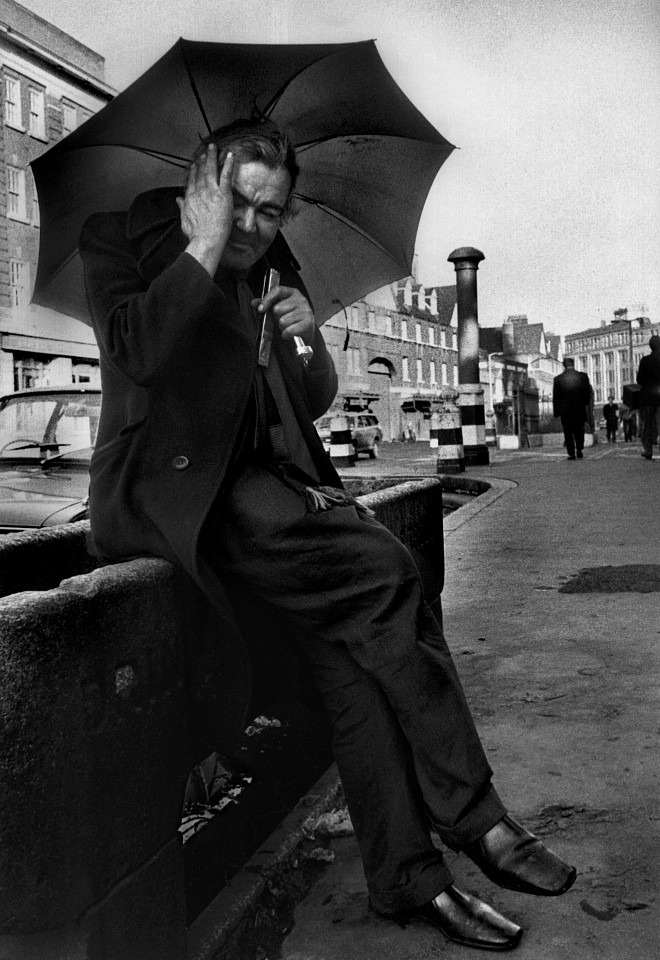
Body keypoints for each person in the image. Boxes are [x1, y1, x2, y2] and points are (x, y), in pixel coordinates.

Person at [80, 119, 575, 952]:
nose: (251, 226)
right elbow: (135, 352)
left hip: (269, 490)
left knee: (351, 663)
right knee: (386, 570)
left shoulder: (267, 270)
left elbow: (305, 402)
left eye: (270, 213)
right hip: (179, 499)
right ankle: (473, 815)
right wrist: (200, 252)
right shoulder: (121, 239)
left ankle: (409, 877)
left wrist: (305, 332)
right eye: (238, 202)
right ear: (203, 180)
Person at [552, 358, 592, 459]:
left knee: (568, 432)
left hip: (565, 410)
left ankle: (571, 453)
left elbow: (556, 397)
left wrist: (556, 412)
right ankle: (579, 449)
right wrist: (584, 403)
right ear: (573, 364)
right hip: (579, 409)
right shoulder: (583, 377)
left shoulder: (558, 379)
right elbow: (587, 394)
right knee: (579, 430)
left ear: (564, 365)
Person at [637, 334, 660, 459]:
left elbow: (640, 380)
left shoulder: (645, 360)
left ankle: (648, 450)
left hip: (649, 397)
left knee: (648, 425)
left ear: (650, 347)